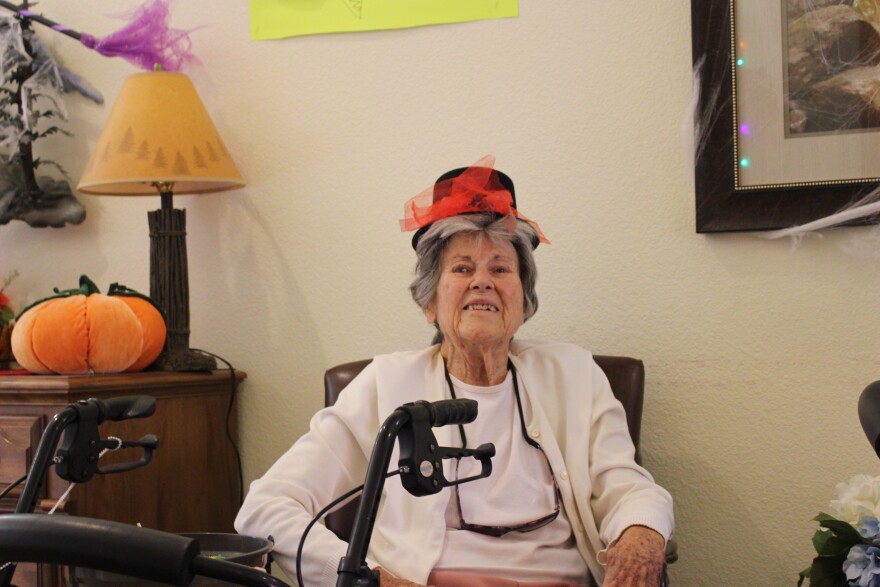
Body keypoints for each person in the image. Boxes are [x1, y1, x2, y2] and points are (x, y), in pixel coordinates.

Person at [235, 156, 674, 587]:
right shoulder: (385, 384)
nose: (482, 281)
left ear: (523, 302)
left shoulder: (574, 374)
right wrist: (371, 581)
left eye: (500, 268)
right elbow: (266, 507)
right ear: (430, 302)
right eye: (462, 268)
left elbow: (628, 486)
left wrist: (641, 532)